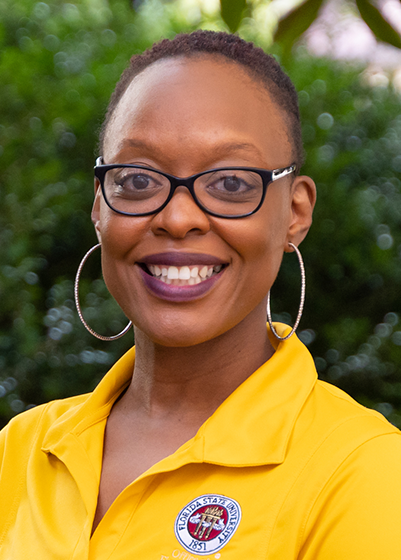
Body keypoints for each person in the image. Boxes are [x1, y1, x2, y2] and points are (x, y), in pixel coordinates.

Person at [0, 30, 400, 560]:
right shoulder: (21, 450)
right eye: (137, 180)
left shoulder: (362, 471)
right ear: (99, 206)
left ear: (295, 213)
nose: (177, 217)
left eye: (231, 183)